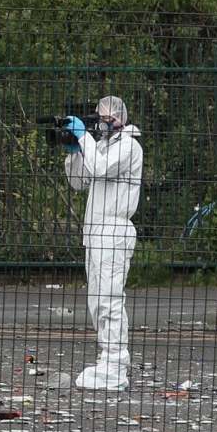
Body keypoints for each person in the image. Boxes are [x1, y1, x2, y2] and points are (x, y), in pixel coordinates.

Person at [63, 95, 143, 391]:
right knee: (97, 299)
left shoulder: (128, 146)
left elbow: (100, 169)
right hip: (95, 231)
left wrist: (85, 138)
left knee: (110, 297)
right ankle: (107, 356)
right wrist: (74, 151)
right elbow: (79, 180)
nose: (101, 122)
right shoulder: (103, 147)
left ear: (119, 117)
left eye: (105, 117)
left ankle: (116, 363)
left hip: (114, 229)